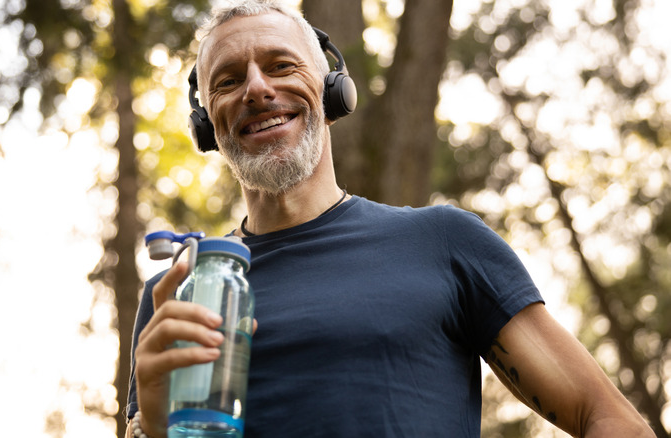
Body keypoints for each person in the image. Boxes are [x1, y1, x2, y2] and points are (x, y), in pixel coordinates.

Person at [125, 1, 655, 437]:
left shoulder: (444, 243)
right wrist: (151, 424)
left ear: (331, 90)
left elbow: (609, 419)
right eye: (229, 79)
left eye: (281, 66)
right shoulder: (178, 292)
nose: (257, 89)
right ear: (205, 125)